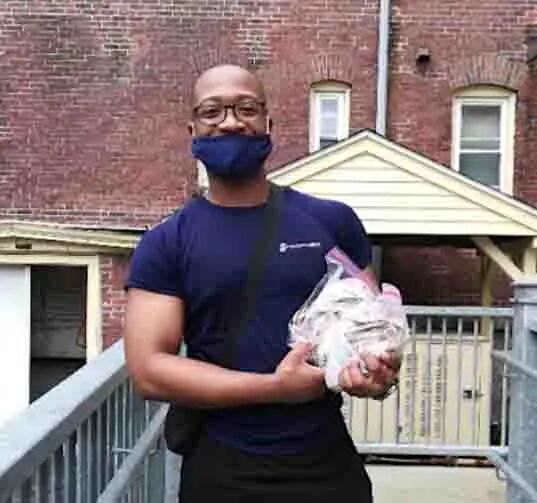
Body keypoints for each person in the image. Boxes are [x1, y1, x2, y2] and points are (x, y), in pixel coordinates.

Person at [123, 64, 401, 503]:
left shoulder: (332, 222)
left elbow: (369, 335)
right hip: (223, 469)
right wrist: (275, 388)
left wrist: (377, 375)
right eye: (212, 111)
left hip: (327, 466)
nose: (231, 122)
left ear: (269, 124)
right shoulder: (166, 242)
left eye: (246, 108)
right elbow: (149, 372)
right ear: (192, 130)